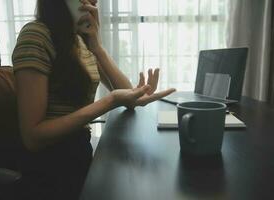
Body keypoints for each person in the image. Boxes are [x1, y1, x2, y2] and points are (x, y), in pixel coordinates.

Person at [12, 0, 175, 199]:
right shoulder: (36, 35)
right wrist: (110, 101)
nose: (95, 1)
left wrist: (97, 47)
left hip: (77, 155)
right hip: (51, 168)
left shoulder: (79, 39)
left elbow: (126, 93)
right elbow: (33, 138)